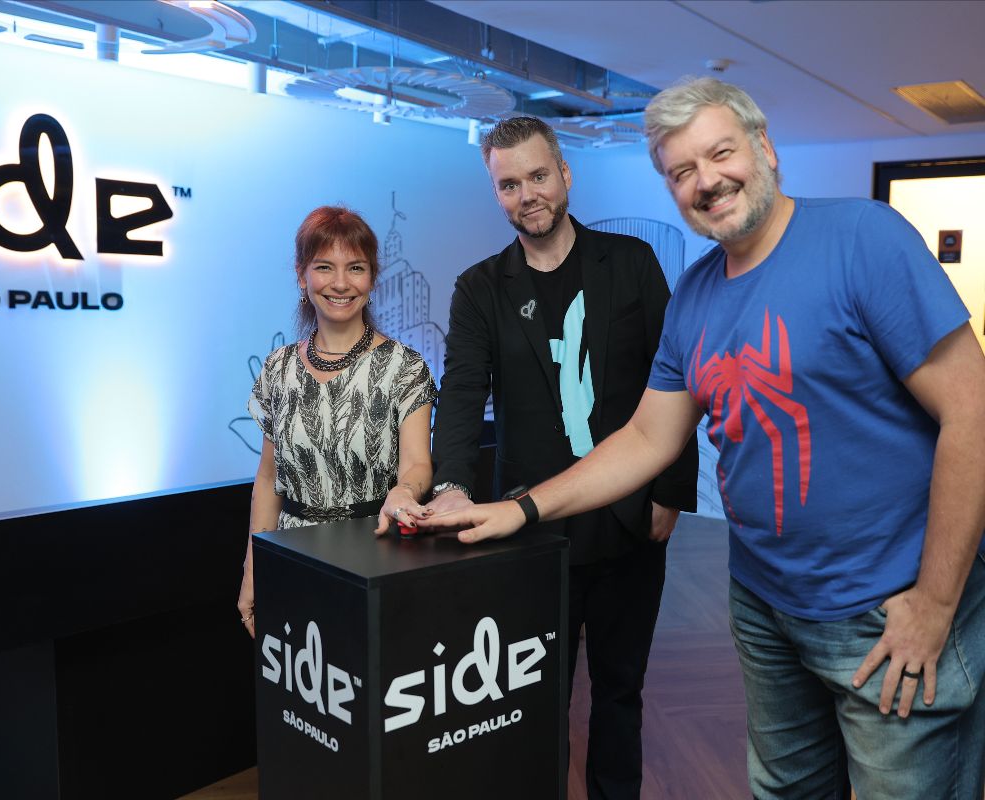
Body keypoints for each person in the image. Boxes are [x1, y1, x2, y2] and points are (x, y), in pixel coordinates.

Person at [418, 78, 985, 800]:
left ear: (765, 147)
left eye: (720, 154)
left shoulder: (863, 237)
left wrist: (936, 603)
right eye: (681, 171)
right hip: (764, 605)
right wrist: (516, 508)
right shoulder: (696, 295)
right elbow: (649, 434)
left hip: (883, 610)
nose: (706, 181)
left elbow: (973, 413)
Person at [422, 116, 698, 799]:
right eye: (509, 184)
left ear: (565, 175)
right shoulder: (480, 289)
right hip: (529, 533)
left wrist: (670, 491)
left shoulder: (631, 264)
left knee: (620, 692)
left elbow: (678, 378)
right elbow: (460, 394)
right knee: (534, 698)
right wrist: (452, 484)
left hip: (631, 520)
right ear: (497, 193)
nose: (527, 194)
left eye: (538, 176)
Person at [237, 205, 437, 638]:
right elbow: (269, 479)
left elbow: (419, 465)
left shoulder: (405, 368)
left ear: (372, 277)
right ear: (301, 275)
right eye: (324, 267)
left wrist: (405, 490)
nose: (341, 283)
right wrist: (254, 568)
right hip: (292, 559)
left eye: (356, 268)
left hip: (375, 558)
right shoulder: (278, 368)